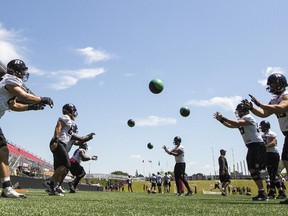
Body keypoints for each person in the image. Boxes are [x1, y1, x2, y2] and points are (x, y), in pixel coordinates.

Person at [0, 59, 53, 198]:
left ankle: (6, 188)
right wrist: (41, 99)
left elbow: (13, 105)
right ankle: (7, 188)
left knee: (3, 151)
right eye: (22, 70)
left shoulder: (8, 85)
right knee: (3, 150)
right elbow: (22, 95)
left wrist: (30, 108)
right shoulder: (10, 79)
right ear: (16, 70)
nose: (24, 74)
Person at [243, 73, 288, 204]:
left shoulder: (286, 95)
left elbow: (282, 108)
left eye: (272, 84)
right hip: (287, 134)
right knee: (285, 159)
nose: (270, 86)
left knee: (286, 159)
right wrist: (252, 108)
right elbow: (263, 114)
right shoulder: (275, 99)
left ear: (280, 83)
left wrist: (260, 103)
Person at [214, 102, 268, 201]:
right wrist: (221, 120)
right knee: (252, 170)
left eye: (239, 111)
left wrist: (223, 117)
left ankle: (263, 193)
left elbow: (236, 123)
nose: (238, 113)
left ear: (243, 110)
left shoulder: (248, 117)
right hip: (251, 146)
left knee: (255, 169)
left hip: (257, 145)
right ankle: (261, 192)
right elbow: (230, 125)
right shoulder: (243, 119)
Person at [44, 103, 95, 196]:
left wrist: (88, 137)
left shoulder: (69, 127)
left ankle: (53, 186)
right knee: (66, 165)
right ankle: (50, 182)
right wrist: (56, 138)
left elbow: (79, 140)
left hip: (59, 143)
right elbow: (58, 125)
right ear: (70, 111)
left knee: (63, 167)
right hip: (58, 142)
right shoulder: (66, 117)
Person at [260, 120, 286, 199]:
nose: (261, 128)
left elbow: (273, 143)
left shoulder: (271, 133)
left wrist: (264, 147)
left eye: (262, 126)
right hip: (268, 154)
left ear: (265, 126)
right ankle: (280, 191)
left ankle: (273, 191)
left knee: (273, 174)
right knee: (272, 174)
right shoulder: (263, 134)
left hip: (273, 154)